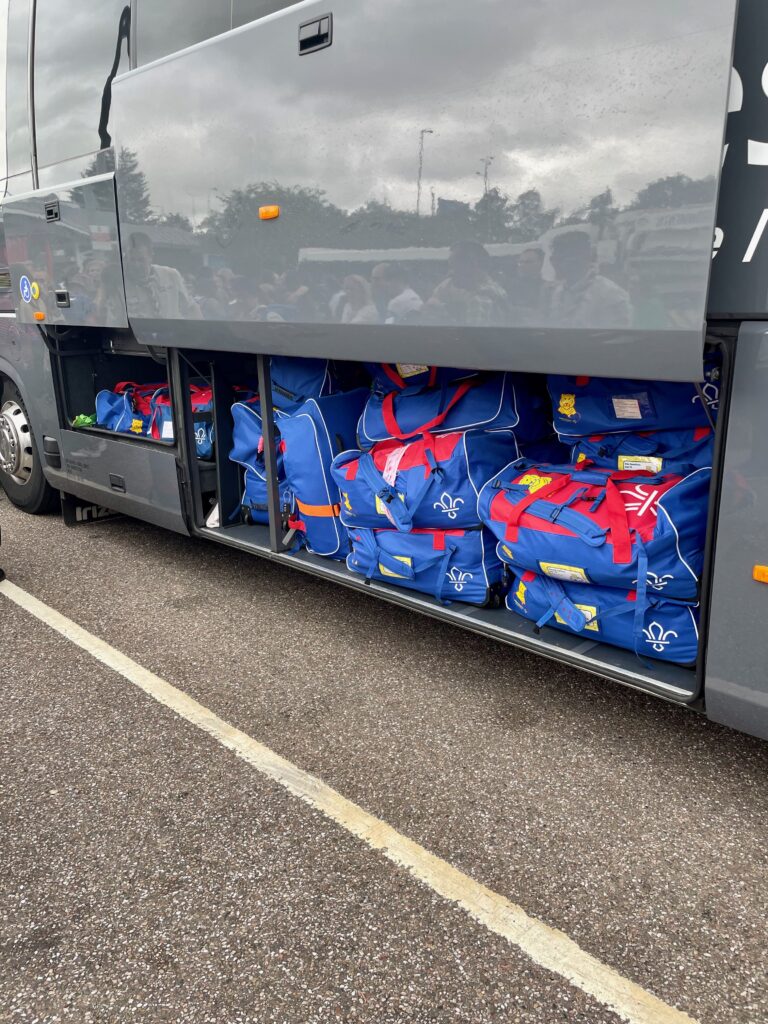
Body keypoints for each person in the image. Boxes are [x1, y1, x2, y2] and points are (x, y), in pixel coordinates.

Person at [548, 230, 631, 328]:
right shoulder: (558, 292)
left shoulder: (610, 294)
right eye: (552, 259)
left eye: (560, 259)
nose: (554, 264)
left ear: (580, 258)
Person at [425, 241, 508, 326]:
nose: (451, 272)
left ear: (473, 265)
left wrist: (444, 315)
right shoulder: (449, 284)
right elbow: (430, 306)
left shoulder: (480, 298)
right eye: (451, 265)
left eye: (455, 266)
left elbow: (471, 335)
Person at [124, 232, 201, 318]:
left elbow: (191, 307)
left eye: (141, 260)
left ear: (151, 257)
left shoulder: (171, 275)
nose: (136, 265)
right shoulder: (120, 283)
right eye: (132, 260)